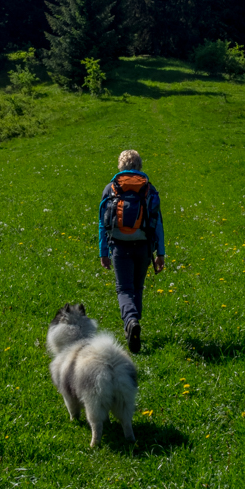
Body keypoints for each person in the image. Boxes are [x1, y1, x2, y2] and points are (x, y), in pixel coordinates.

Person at [99, 150, 165, 354]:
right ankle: (133, 324)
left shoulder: (111, 188)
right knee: (137, 287)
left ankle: (130, 321)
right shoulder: (149, 189)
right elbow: (158, 223)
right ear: (140, 166)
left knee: (124, 289)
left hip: (119, 246)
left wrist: (103, 252)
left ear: (120, 166)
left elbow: (102, 223)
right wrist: (160, 253)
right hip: (143, 246)